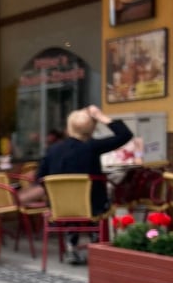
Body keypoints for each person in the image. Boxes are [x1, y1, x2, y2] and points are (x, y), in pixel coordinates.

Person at [27, 105, 133, 264]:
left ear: (69, 127)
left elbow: (39, 178)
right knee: (94, 196)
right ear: (92, 129)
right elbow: (125, 135)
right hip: (93, 206)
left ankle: (71, 244)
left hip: (60, 208)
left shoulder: (53, 150)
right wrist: (100, 116)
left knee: (72, 202)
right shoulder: (92, 147)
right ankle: (96, 242)